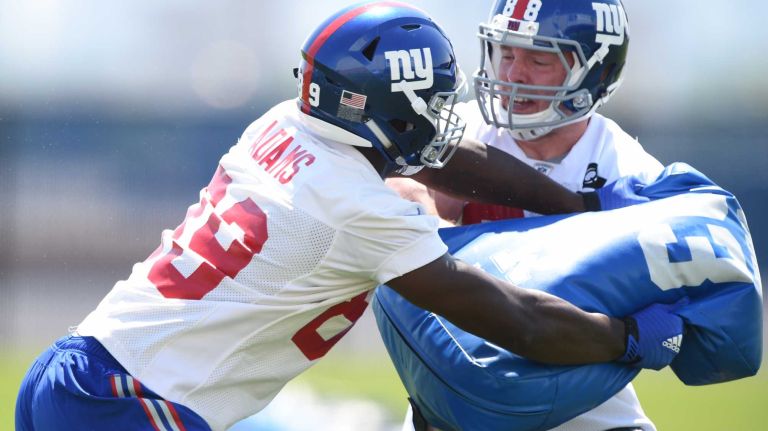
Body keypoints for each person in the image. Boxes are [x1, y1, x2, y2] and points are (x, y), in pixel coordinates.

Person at [15, 2, 683, 431]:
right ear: (382, 106)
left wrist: (576, 207)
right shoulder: (361, 212)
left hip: (73, 369)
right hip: (128, 404)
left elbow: (447, 161)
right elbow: (519, 319)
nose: (440, 116)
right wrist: (625, 335)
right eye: (427, 100)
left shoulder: (282, 123)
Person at [387, 0, 666, 430]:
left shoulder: (626, 171)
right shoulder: (465, 130)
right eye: (507, 53)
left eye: (538, 58)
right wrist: (437, 237)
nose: (513, 74)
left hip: (579, 399)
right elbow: (402, 189)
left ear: (594, 72)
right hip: (459, 390)